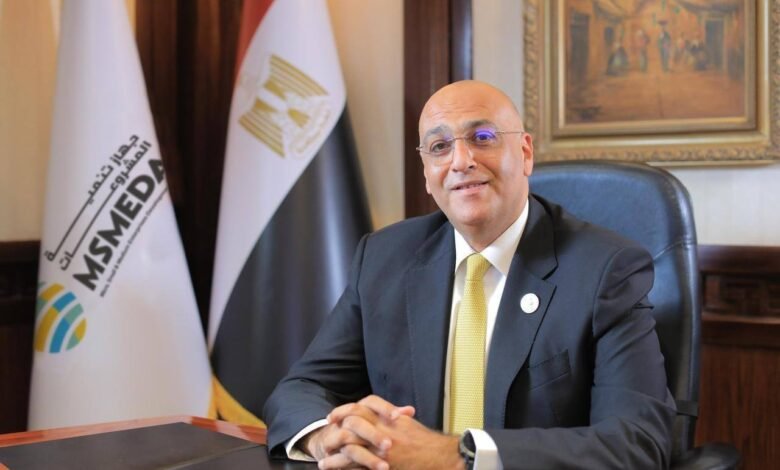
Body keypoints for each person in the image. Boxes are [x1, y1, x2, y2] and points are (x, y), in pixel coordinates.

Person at [264, 80, 676, 469]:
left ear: (525, 153)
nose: (461, 161)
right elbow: (301, 388)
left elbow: (636, 442)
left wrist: (454, 457)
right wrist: (327, 437)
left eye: (482, 137)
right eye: (440, 146)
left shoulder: (606, 269)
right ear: (427, 173)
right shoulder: (384, 258)